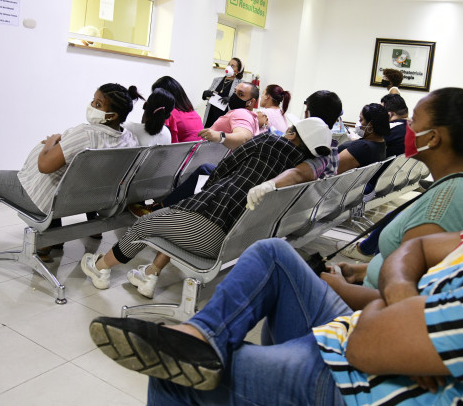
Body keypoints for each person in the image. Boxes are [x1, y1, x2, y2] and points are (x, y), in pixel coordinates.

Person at [89, 93, 463, 406]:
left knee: (173, 377)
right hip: (373, 339)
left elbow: (366, 344)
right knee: (271, 255)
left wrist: (393, 308)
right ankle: (199, 334)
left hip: (358, 385)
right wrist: (405, 303)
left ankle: (197, 351)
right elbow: (415, 257)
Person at [80, 118, 333, 298]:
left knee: (145, 225)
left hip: (209, 230)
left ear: (292, 133)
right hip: (234, 241)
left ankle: (100, 267)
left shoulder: (268, 142)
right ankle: (150, 272)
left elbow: (225, 166)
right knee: (175, 217)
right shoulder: (302, 172)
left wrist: (208, 192)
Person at [337, 89, 463, 314]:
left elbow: (401, 303)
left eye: (413, 121)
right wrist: (361, 272)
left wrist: (336, 288)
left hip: (366, 316)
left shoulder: (441, 207)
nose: (408, 128)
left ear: (433, 137)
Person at [0, 84, 140, 266]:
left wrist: (53, 141)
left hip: (45, 197)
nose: (91, 106)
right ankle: (46, 246)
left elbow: (45, 166)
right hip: (84, 201)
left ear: (112, 115)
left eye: (98, 104)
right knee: (59, 183)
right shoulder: (129, 140)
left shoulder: (85, 134)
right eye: (92, 101)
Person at [245, 90, 343, 210]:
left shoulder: (314, 154)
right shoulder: (330, 148)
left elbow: (299, 173)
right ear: (335, 119)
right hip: (304, 208)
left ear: (307, 114)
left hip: (275, 205)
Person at [337, 103, 389, 174]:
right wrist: (354, 140)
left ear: (370, 125)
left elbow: (332, 169)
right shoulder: (380, 142)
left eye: (361, 120)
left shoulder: (363, 147)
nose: (359, 123)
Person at [151, 76, 203, 143]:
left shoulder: (169, 114)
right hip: (200, 151)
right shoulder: (192, 112)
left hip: (182, 152)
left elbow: (169, 144)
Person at [202, 57, 243, 128]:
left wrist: (231, 100)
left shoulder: (241, 84)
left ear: (238, 70)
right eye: (228, 64)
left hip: (225, 118)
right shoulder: (217, 80)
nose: (229, 67)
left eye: (232, 66)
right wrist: (205, 94)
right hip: (211, 115)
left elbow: (241, 102)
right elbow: (208, 95)